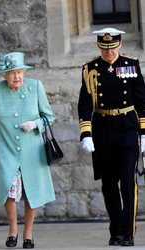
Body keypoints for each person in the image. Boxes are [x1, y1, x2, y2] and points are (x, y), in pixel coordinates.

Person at [78, 27, 145, 247]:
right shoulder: (90, 69)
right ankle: (115, 231)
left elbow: (142, 101)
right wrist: (86, 132)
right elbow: (85, 103)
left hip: (126, 127)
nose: (109, 53)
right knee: (108, 184)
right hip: (102, 129)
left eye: (113, 48)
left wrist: (144, 133)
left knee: (128, 182)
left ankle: (128, 232)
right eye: (105, 49)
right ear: (100, 47)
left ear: (120, 45)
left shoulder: (131, 65)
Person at [0, 52, 56, 249]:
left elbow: (49, 116)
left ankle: (28, 234)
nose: (17, 77)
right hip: (7, 150)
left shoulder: (36, 87)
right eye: (11, 73)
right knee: (9, 191)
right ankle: (12, 231)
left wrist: (34, 124)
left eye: (19, 72)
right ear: (4, 75)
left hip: (33, 151)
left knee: (32, 192)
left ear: (24, 72)